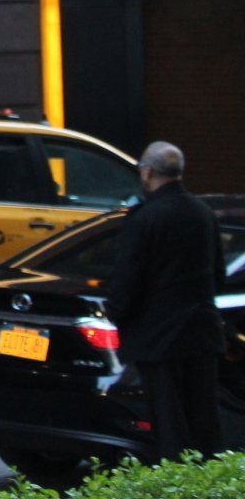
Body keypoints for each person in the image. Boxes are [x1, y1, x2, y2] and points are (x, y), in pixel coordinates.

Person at [105, 141, 225, 461]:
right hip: (201, 332)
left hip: (157, 338)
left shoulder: (144, 219)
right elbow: (218, 274)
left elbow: (127, 279)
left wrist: (114, 314)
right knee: (203, 419)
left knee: (169, 424)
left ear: (147, 173)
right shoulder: (204, 213)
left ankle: (176, 482)